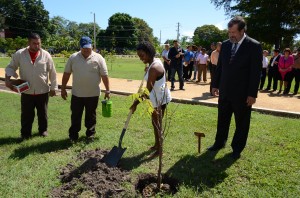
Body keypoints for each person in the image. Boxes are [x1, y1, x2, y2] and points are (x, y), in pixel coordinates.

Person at [209, 16, 263, 159]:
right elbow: (220, 67)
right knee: (222, 119)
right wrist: (214, 84)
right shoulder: (226, 45)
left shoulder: (254, 46)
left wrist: (252, 94)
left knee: (242, 123)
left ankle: (237, 149)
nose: (231, 35)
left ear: (242, 30)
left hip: (243, 94)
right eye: (229, 32)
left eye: (233, 32)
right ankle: (219, 143)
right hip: (225, 91)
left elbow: (255, 73)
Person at [5, 33, 58, 140]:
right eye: (34, 43)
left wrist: (53, 88)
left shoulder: (46, 55)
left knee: (43, 113)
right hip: (26, 91)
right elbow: (11, 67)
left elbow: (52, 72)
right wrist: (7, 80)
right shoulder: (20, 54)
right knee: (26, 114)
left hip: (42, 90)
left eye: (38, 43)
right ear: (28, 43)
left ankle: (43, 130)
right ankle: (25, 133)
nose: (37, 46)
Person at [61, 36, 110, 141]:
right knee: (75, 116)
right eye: (84, 48)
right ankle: (73, 136)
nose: (87, 50)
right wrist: (63, 89)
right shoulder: (73, 58)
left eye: (88, 48)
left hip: (93, 94)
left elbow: (104, 75)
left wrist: (107, 90)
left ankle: (90, 134)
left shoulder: (99, 58)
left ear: (92, 46)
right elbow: (66, 74)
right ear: (80, 47)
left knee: (91, 116)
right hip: (77, 94)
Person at [131, 41, 172, 158]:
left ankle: (160, 150)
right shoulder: (154, 62)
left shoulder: (154, 67)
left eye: (142, 56)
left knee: (157, 124)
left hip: (160, 100)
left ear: (149, 53)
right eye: (139, 56)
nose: (140, 58)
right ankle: (156, 145)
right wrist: (148, 70)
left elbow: (147, 91)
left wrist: (135, 103)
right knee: (155, 123)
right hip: (155, 98)